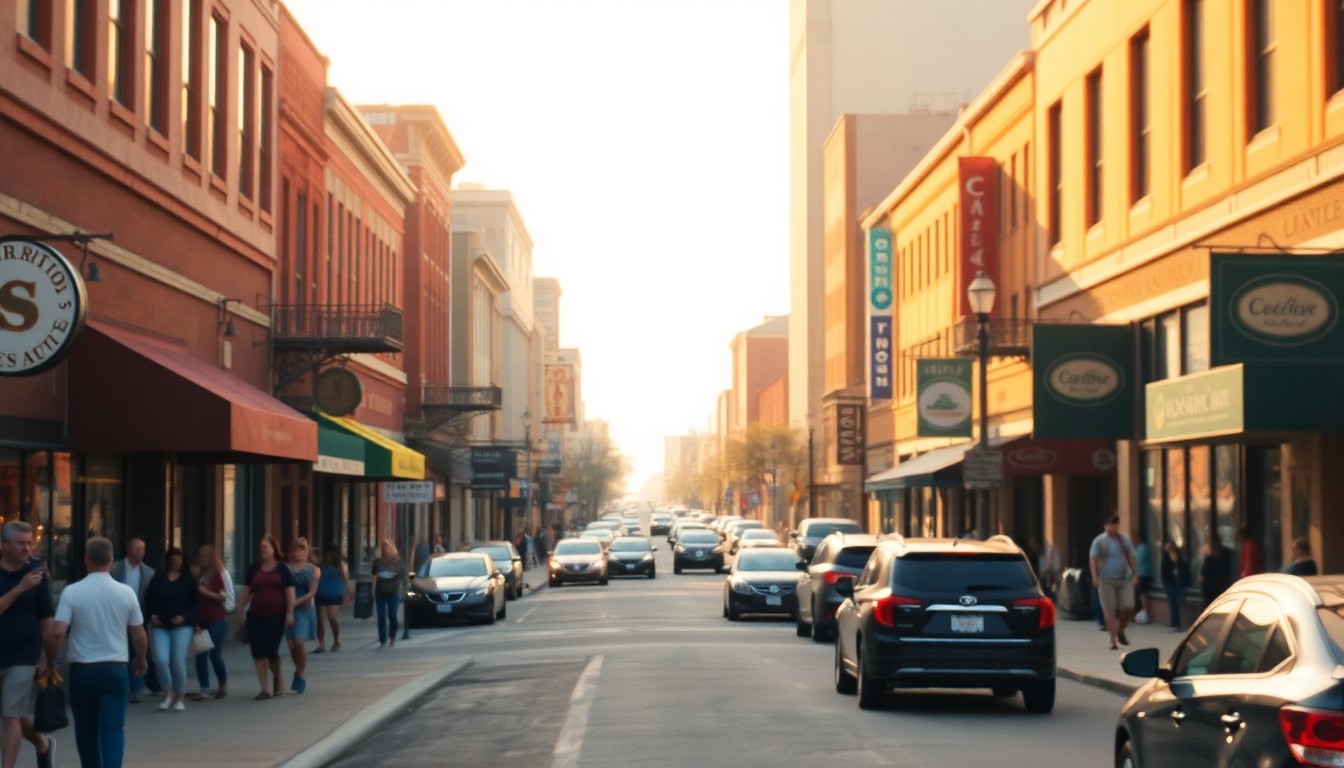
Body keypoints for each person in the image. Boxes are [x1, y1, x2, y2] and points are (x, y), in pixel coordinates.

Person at [49, 536, 148, 768]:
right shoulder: (126, 593)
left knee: (86, 729)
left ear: (86, 560)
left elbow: (57, 633)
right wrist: (141, 658)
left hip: (83, 670)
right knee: (113, 728)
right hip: (116, 668)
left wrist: (51, 660)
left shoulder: (72, 592)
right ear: (111, 561)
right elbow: (139, 634)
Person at [0, 521, 57, 768]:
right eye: (21, 543)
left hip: (24, 655)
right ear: (4, 545)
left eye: (29, 542)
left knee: (10, 716)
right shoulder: (26, 579)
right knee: (16, 716)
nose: (27, 548)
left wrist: (49, 658)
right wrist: (20, 588)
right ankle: (43, 744)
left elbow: (46, 619)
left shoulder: (37, 571)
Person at [234, 536, 295, 700]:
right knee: (258, 651)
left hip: (276, 615)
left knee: (271, 651)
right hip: (255, 615)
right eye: (261, 547)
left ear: (273, 549)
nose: (262, 550)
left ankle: (277, 675)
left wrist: (290, 613)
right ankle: (264, 689)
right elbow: (247, 591)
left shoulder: (282, 569)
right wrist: (241, 611)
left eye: (265, 547)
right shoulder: (254, 569)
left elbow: (289, 592)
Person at [142, 547, 199, 712]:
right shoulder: (158, 578)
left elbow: (195, 603)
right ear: (168, 560)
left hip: (182, 626)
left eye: (179, 560)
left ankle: (180, 696)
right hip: (160, 625)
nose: (176, 563)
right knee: (161, 659)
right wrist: (151, 615)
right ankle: (167, 693)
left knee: (177, 662)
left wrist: (185, 616)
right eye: (173, 560)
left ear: (183, 562)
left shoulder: (189, 580)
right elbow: (149, 599)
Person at [110, 537, 157, 702]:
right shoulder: (115, 569)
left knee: (139, 651)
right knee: (123, 652)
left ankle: (136, 689)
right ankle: (124, 687)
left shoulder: (148, 572)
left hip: (139, 617)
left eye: (143, 549)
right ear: (128, 549)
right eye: (137, 548)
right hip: (118, 617)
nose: (141, 552)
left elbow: (151, 597)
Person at [1089, 514, 1139, 651]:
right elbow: (1093, 559)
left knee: (1129, 606)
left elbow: (1131, 556)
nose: (1114, 527)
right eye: (1111, 524)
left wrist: (1135, 574)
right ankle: (1113, 640)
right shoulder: (1099, 541)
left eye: (1116, 524)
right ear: (1105, 526)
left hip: (1124, 579)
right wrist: (1094, 576)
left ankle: (1120, 630)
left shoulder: (1124, 539)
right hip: (1106, 580)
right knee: (1109, 609)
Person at [188, 545, 231, 701]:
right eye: (200, 556)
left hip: (216, 618)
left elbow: (222, 597)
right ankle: (204, 688)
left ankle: (222, 685)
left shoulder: (217, 575)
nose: (202, 559)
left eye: (205, 556)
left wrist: (206, 592)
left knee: (214, 653)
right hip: (200, 619)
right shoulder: (196, 576)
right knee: (200, 652)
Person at [285, 538, 318, 694]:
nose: (299, 552)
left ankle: (301, 673)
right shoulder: (286, 568)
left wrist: (296, 602)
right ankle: (298, 670)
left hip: (303, 607)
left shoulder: (313, 569)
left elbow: (312, 591)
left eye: (302, 549)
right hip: (288, 608)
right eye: (296, 549)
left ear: (307, 551)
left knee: (299, 641)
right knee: (291, 645)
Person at [371, 538, 406, 650]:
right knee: (381, 615)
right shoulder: (377, 561)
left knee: (392, 615)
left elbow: (402, 575)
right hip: (380, 591)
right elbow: (373, 574)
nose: (384, 548)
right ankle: (382, 640)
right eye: (382, 546)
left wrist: (393, 577)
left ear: (391, 547)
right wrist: (372, 588)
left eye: (386, 546)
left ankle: (392, 636)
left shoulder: (397, 561)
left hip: (393, 591)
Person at [314, 544, 347, 653]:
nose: (328, 555)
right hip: (322, 592)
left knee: (332, 617)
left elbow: (345, 578)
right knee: (321, 620)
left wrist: (347, 592)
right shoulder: (320, 564)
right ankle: (321, 644)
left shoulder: (340, 564)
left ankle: (336, 639)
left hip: (335, 593)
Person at [1160, 542, 1189, 631]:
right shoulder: (1165, 558)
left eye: (1170, 548)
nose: (1169, 550)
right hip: (1170, 583)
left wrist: (1176, 561)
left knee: (1179, 602)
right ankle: (1174, 622)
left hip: (1179, 583)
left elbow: (1184, 568)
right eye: (1167, 548)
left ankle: (1180, 623)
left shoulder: (1180, 557)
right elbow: (1163, 571)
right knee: (1172, 603)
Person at [1200, 535, 1233, 607]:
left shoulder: (1210, 556)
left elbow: (1204, 572)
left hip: (1210, 587)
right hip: (1222, 585)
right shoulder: (1226, 552)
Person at [1133, 539, 1154, 624]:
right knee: (1141, 594)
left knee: (1143, 594)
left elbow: (1138, 561)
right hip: (1141, 574)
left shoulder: (1143, 548)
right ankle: (1143, 613)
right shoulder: (1138, 549)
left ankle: (1145, 613)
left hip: (1144, 574)